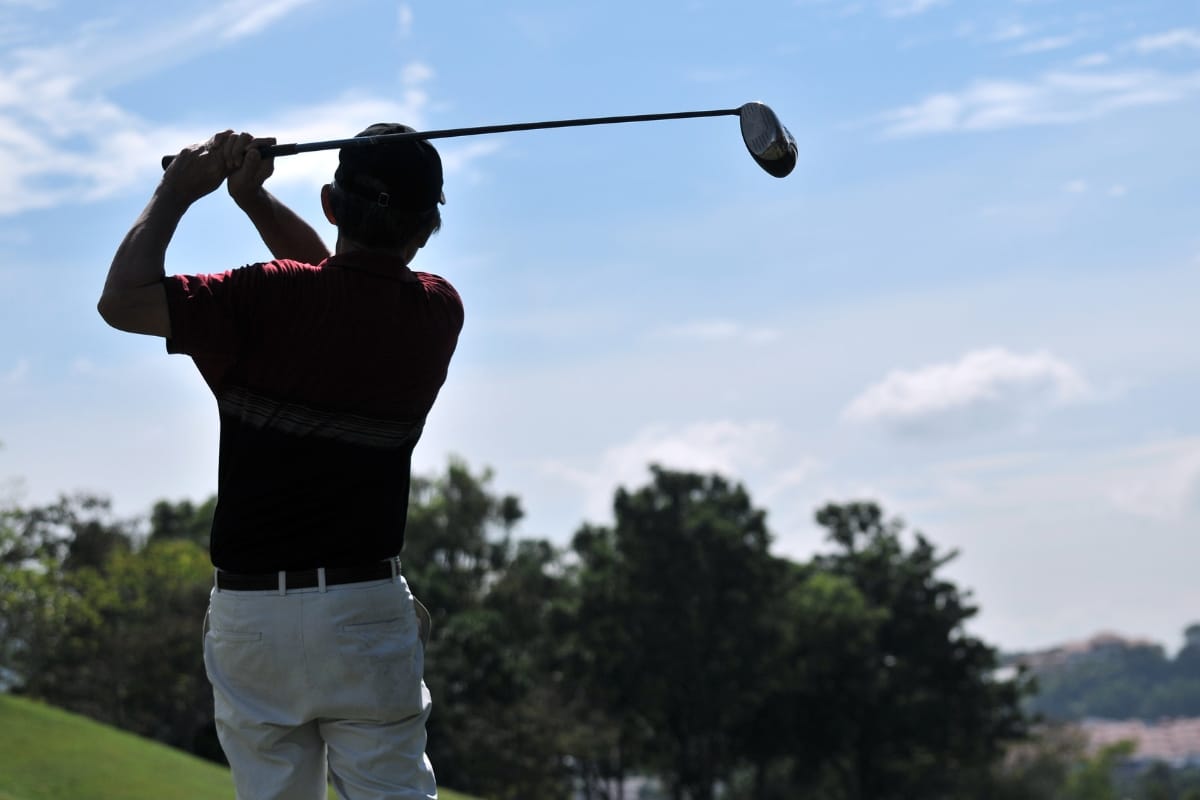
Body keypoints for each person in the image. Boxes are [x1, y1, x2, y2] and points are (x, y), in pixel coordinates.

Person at [98, 125, 463, 800]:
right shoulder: (437, 310)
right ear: (429, 223)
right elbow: (337, 282)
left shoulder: (258, 300)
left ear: (330, 204)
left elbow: (121, 301)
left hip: (254, 617)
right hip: (366, 608)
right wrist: (254, 204)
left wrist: (178, 192)